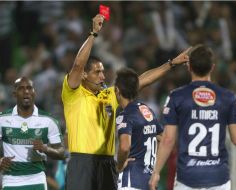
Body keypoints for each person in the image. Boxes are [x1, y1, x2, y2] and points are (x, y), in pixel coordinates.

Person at [62, 14, 189, 190]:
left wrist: (171, 63)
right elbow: (77, 65)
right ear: (84, 75)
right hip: (82, 162)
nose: (103, 76)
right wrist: (93, 33)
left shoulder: (110, 95)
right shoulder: (73, 94)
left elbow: (142, 80)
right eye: (97, 72)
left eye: (103, 71)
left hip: (106, 163)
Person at [149, 44, 236, 190]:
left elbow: (168, 140)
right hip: (218, 179)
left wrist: (156, 172)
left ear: (189, 66)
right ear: (212, 67)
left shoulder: (176, 97)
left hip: (187, 178)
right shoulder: (229, 98)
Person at [0, 77, 65, 190]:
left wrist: (46, 148)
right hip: (11, 181)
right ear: (14, 93)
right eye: (21, 88)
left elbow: (61, 152)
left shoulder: (48, 120)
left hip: (37, 180)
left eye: (29, 88)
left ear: (34, 92)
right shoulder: (2, 119)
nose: (26, 92)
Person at [115, 68, 163, 190]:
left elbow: (125, 147)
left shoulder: (125, 116)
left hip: (131, 179)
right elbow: (162, 137)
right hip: (148, 179)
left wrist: (119, 166)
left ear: (117, 91)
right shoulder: (146, 109)